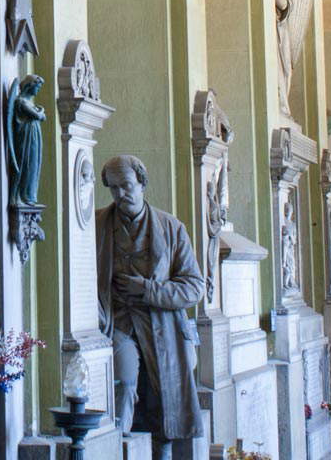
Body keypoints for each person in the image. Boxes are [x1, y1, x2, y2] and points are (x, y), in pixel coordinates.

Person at [97, 154, 204, 457]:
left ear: (142, 183)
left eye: (127, 185)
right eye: (114, 188)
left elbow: (194, 287)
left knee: (164, 401)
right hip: (117, 323)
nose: (121, 194)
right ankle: (114, 448)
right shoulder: (96, 225)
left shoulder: (171, 228)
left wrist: (149, 289)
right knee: (124, 381)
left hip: (162, 328)